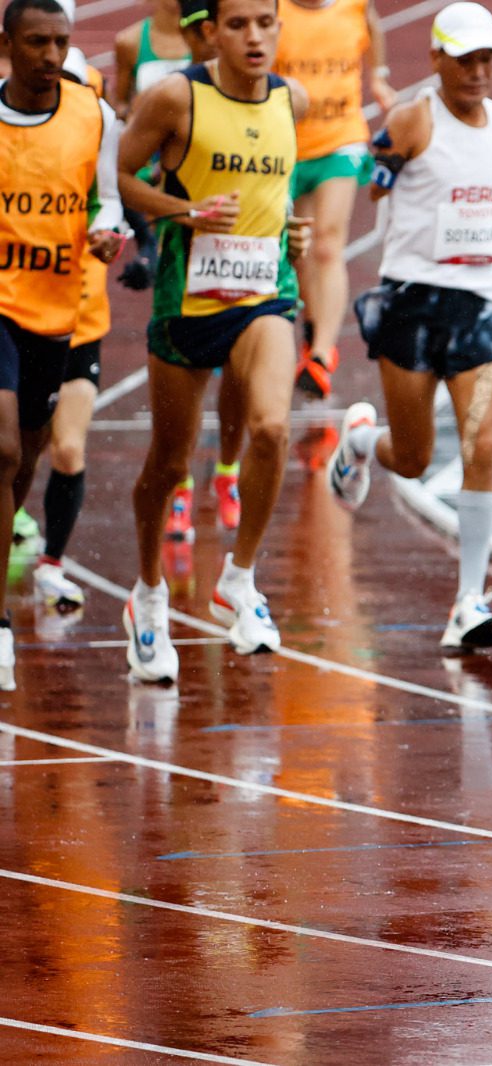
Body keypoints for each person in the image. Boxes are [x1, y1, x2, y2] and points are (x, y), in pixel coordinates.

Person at [327, 1, 492, 651]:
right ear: (437, 59)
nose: (477, 72)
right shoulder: (413, 120)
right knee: (412, 460)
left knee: (483, 446)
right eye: (464, 59)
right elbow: (374, 188)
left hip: (478, 306)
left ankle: (469, 599)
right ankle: (362, 443)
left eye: (487, 60)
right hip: (412, 302)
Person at [117, 0, 310, 680]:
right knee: (168, 465)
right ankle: (146, 594)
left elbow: (276, 188)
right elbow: (123, 179)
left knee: (271, 429)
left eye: (265, 22)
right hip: (186, 300)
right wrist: (184, 211)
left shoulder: (295, 100)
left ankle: (241, 577)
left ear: (280, 26)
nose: (254, 37)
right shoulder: (176, 98)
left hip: (265, 292)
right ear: (212, 32)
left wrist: (293, 227)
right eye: (238, 25)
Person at [0, 0, 123, 688]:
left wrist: (108, 233)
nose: (50, 55)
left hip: (56, 310)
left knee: (24, 465)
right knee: (5, 446)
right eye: (36, 42)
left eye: (60, 43)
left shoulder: (92, 114)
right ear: (7, 44)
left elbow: (109, 200)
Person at [31, 44, 121, 615]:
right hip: (18, 318)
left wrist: (129, 245)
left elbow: (121, 205)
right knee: (15, 450)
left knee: (67, 448)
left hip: (82, 322)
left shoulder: (99, 142)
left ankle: (51, 564)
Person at [276, 0, 395, 401]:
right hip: (287, 145)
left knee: (328, 245)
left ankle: (323, 354)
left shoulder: (354, 5)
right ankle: (314, 328)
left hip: (340, 141)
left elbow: (373, 27)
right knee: (300, 251)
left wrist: (378, 77)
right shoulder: (274, 11)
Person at [113, 0, 189, 119]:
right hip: (149, 132)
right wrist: (131, 114)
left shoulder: (205, 39)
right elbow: (120, 103)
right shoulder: (129, 42)